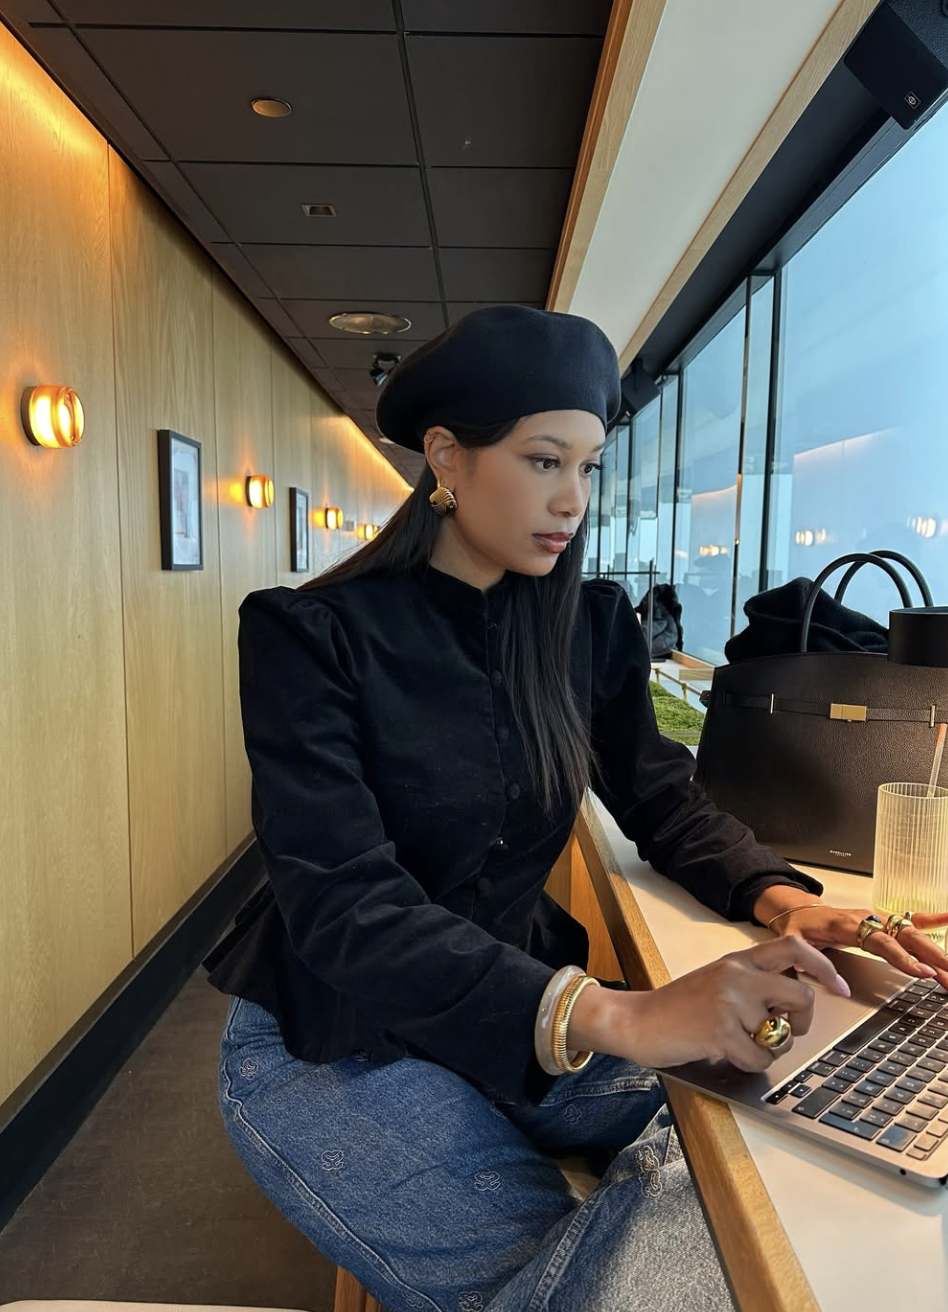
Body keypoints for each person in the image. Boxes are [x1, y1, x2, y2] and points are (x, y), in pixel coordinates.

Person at [204, 306, 948, 1312]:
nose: (572, 499)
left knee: (768, 1148)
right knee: (713, 1209)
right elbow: (345, 906)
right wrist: (618, 1012)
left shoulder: (585, 624)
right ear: (447, 459)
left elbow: (658, 795)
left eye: (590, 468)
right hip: (339, 1044)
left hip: (522, 1013)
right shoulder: (309, 634)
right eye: (544, 460)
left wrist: (779, 897)